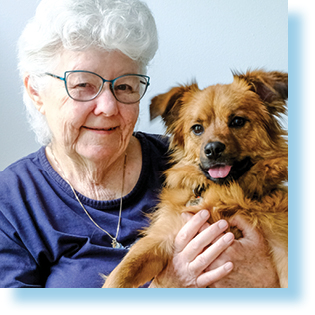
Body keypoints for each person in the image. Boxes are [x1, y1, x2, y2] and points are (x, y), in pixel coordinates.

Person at [0, 0, 279, 288]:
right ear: (36, 91)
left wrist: (266, 279)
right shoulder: (10, 202)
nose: (107, 107)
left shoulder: (192, 164)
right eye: (83, 84)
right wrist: (164, 290)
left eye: (124, 86)